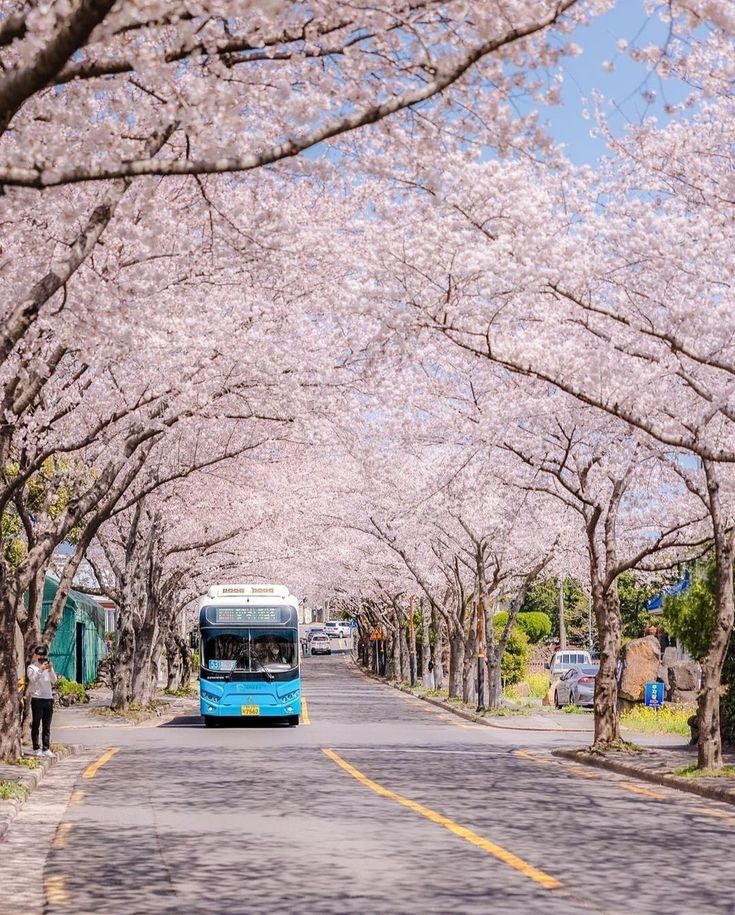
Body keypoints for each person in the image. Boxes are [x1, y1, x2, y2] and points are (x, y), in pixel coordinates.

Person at [26, 645, 57, 757]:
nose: (41, 658)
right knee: (36, 724)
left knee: (47, 725)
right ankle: (36, 748)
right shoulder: (31, 668)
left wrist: (50, 669)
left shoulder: (48, 667)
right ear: (35, 656)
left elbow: (54, 680)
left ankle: (46, 748)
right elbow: (33, 679)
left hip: (48, 698)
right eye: (39, 655)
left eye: (43, 655)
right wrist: (41, 669)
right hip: (37, 699)